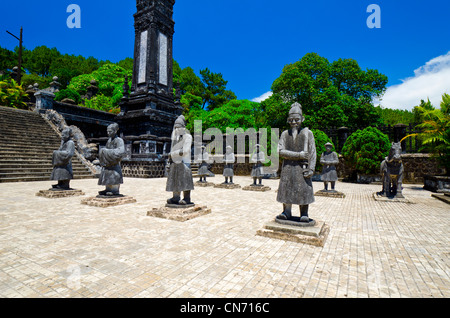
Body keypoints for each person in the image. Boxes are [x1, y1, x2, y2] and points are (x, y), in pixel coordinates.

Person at [276, 102, 316, 223]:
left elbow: (313, 152)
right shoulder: (284, 134)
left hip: (302, 168)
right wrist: (298, 155)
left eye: (297, 119)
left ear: (302, 119)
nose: (294, 122)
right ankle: (286, 211)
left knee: (303, 191)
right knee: (286, 189)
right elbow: (280, 151)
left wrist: (311, 168)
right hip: (287, 168)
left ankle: (304, 213)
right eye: (291, 119)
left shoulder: (308, 134)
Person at [166, 115, 194, 205]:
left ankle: (187, 198)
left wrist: (173, 153)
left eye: (179, 128)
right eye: (175, 128)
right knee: (175, 179)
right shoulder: (175, 139)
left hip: (184, 162)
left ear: (183, 127)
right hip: (175, 162)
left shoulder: (188, 137)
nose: (177, 130)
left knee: (185, 179)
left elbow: (185, 151)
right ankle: (175, 197)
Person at [98, 123, 126, 196]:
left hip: (114, 163)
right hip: (108, 162)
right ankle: (108, 188)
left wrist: (107, 152)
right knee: (107, 174)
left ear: (115, 131)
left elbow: (121, 151)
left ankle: (114, 190)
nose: (108, 133)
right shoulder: (109, 140)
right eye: (107, 131)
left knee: (114, 175)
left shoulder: (119, 140)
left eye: (110, 131)